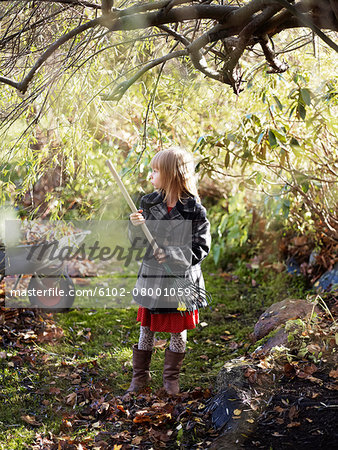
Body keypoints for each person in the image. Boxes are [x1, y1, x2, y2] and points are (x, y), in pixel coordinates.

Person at [127, 147, 211, 395]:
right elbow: (138, 243)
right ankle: (140, 378)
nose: (150, 176)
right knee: (147, 328)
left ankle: (170, 380)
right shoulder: (148, 203)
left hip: (179, 280)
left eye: (155, 171)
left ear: (172, 174)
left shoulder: (195, 210)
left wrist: (172, 255)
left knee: (177, 330)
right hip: (153, 277)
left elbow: (201, 247)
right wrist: (135, 228)